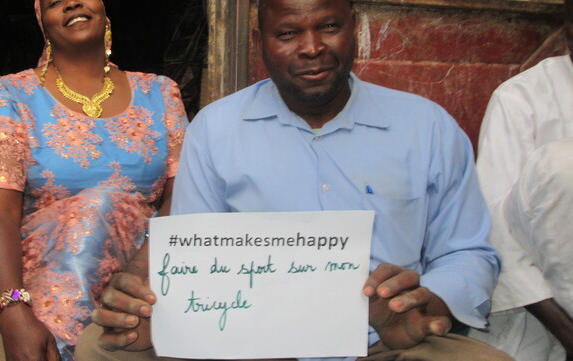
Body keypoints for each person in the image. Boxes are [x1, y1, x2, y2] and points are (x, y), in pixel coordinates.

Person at [73, 0, 511, 360]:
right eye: (288, 34)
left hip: (386, 341)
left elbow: (468, 252)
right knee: (100, 348)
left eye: (330, 26)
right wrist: (159, 307)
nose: (312, 48)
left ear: (354, 29)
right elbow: (191, 255)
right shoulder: (217, 128)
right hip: (247, 343)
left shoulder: (426, 126)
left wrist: (420, 304)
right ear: (259, 41)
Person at [0, 0, 188, 360]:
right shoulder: (6, 96)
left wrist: (145, 269)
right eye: (55, 2)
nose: (71, 2)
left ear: (104, 9)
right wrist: (12, 313)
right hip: (50, 268)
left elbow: (181, 197)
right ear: (42, 20)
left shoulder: (160, 94)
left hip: (145, 265)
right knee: (93, 210)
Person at [466, 1, 573, 359]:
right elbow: (496, 231)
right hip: (543, 311)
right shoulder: (521, 98)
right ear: (566, 26)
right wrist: (567, 331)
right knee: (564, 163)